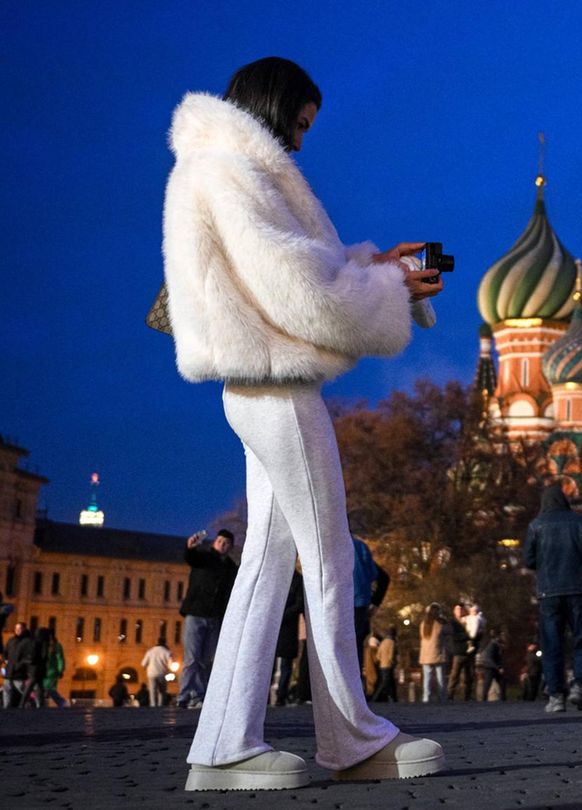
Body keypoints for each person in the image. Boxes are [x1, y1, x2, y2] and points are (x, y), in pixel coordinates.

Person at [163, 56, 445, 791]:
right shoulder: (233, 172)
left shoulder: (220, 166)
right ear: (276, 106)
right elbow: (293, 285)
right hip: (277, 385)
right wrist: (384, 286)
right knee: (330, 558)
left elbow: (299, 268)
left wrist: (377, 265)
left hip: (258, 383)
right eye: (299, 122)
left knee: (268, 563)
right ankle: (352, 738)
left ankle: (223, 745)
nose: (300, 138)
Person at [523, 483, 582, 713]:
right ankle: (579, 687)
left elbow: (528, 560)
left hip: (549, 592)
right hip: (579, 590)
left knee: (552, 644)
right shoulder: (580, 522)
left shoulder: (537, 525)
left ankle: (556, 696)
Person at [177, 529, 238, 710]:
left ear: (230, 547)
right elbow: (191, 558)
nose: (222, 544)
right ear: (214, 542)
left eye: (226, 542)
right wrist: (190, 547)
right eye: (219, 541)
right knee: (192, 658)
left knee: (206, 660)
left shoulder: (230, 568)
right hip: (196, 613)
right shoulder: (204, 558)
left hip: (214, 617)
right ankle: (185, 694)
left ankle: (199, 695)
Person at [352, 535, 389, 670]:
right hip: (360, 603)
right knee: (356, 646)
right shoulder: (360, 546)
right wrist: (374, 602)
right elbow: (375, 574)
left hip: (343, 602)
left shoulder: (330, 546)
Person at [272, 570, 304, 706]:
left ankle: (281, 696)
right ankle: (273, 697)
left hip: (287, 625)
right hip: (277, 623)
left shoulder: (296, 579)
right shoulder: (275, 575)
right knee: (272, 663)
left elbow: (299, 603)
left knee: (285, 664)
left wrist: (282, 615)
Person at [418, 603, 450, 703]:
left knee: (427, 678)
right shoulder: (439, 624)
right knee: (440, 677)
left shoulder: (423, 624)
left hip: (425, 654)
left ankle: (426, 697)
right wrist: (444, 619)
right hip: (437, 653)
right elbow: (449, 631)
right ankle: (442, 697)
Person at [446, 604, 474, 701]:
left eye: (461, 609)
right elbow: (454, 636)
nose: (459, 611)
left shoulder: (468, 620)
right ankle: (450, 695)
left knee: (469, 675)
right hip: (458, 651)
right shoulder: (452, 623)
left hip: (469, 652)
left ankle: (468, 695)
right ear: (454, 611)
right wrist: (467, 635)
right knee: (454, 675)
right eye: (457, 609)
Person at [142, 641, 176, 707]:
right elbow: (170, 665)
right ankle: (160, 705)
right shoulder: (167, 652)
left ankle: (153, 704)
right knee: (162, 691)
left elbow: (143, 663)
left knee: (152, 690)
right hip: (161, 673)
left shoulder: (150, 651)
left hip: (151, 673)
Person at [477, 630, 507, 702]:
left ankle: (503, 699)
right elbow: (488, 658)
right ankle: (484, 699)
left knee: (502, 682)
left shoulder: (496, 646)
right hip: (489, 667)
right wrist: (498, 667)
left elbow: (498, 658)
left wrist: (500, 666)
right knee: (487, 683)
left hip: (494, 667)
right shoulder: (492, 646)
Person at [371, 627, 398, 703]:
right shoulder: (392, 642)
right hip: (388, 665)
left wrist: (381, 660)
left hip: (382, 664)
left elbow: (378, 655)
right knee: (385, 683)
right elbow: (391, 655)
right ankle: (376, 698)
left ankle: (393, 698)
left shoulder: (383, 642)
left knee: (387, 682)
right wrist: (393, 662)